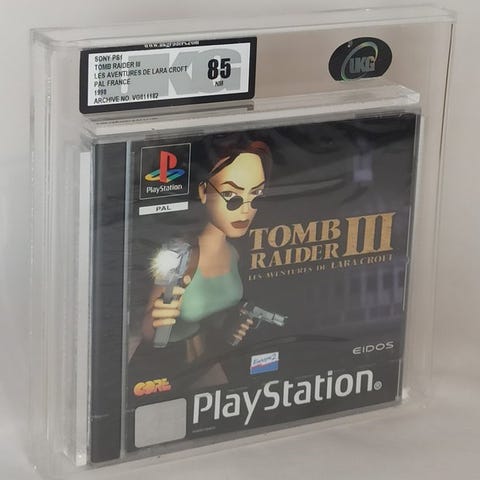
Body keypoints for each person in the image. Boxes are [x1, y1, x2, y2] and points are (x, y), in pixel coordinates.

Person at [129, 136, 272, 390]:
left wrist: (232, 327)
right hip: (162, 368)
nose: (246, 209)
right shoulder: (180, 254)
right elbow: (147, 328)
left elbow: (217, 314)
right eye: (231, 195)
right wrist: (157, 320)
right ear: (204, 192)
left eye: (256, 196)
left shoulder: (236, 253)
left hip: (208, 361)